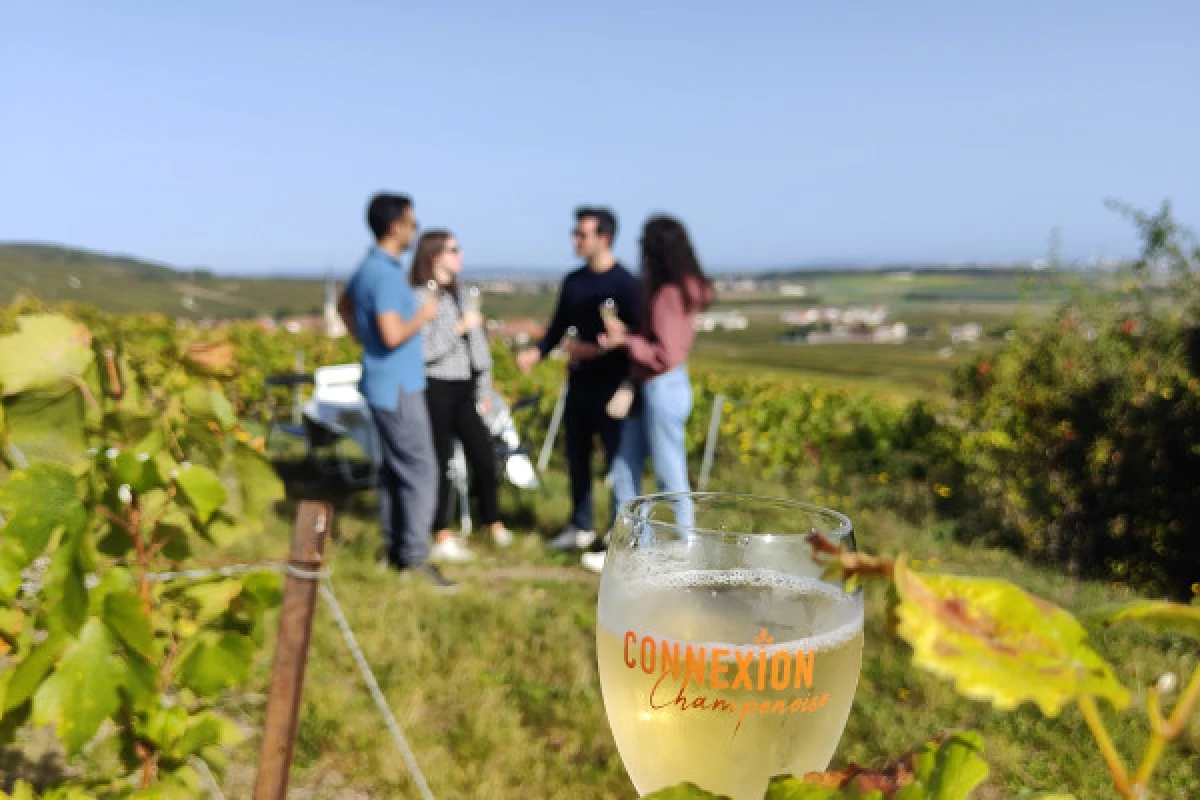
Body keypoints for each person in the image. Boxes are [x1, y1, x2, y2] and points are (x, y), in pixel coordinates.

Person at [582, 215, 715, 573]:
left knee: (668, 472)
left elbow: (664, 354)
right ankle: (630, 543)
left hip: (661, 387)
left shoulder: (669, 293)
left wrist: (625, 340)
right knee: (626, 465)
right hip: (655, 387)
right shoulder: (677, 289)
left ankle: (685, 545)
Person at [337, 193, 455, 590]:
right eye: (412, 223)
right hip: (399, 386)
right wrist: (421, 316)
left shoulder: (368, 267)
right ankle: (415, 560)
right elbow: (391, 334)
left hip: (379, 382)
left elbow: (343, 307)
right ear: (396, 227)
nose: (415, 229)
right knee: (421, 471)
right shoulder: (387, 275)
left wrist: (364, 341)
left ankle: (396, 551)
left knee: (394, 471)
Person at [517, 208, 642, 550]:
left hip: (614, 388)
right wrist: (537, 352)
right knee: (577, 458)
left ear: (604, 238)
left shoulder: (627, 285)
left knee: (619, 464)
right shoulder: (574, 282)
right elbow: (556, 328)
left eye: (582, 234)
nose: (575, 240)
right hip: (579, 385)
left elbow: (639, 338)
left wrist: (600, 351)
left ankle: (620, 537)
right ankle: (581, 525)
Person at [410, 230, 514, 561]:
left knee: (483, 454)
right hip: (436, 386)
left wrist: (484, 388)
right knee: (440, 460)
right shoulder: (420, 297)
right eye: (454, 249)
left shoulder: (460, 295)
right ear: (434, 256)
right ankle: (440, 532)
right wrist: (459, 330)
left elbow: (479, 349)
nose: (461, 255)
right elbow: (422, 351)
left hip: (465, 388)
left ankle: (492, 523)